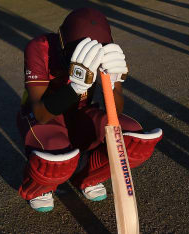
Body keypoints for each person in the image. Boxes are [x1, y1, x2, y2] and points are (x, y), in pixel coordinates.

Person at [16, 8, 163, 212]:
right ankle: (40, 187)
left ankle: (88, 175)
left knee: (132, 140)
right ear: (62, 44)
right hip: (44, 118)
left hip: (80, 113)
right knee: (55, 160)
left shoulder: (104, 50)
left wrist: (113, 83)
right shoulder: (39, 47)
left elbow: (115, 112)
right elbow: (40, 113)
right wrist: (74, 88)